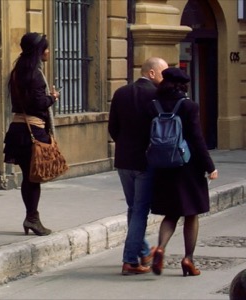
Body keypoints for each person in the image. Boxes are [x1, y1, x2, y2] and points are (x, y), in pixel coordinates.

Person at [150, 67, 218, 276]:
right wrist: (210, 166)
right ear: (184, 85)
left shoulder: (153, 105)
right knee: (191, 214)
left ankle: (160, 247)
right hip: (188, 166)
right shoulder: (189, 106)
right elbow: (197, 139)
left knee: (171, 213)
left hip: (162, 165)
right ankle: (188, 259)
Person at [108, 57, 169, 275]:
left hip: (123, 160)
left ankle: (143, 251)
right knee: (140, 210)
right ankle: (130, 261)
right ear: (151, 73)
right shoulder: (157, 96)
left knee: (133, 208)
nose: (166, 78)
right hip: (145, 160)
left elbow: (113, 127)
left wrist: (124, 145)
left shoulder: (121, 92)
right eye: (163, 73)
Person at [3, 32, 60, 236]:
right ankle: (32, 218)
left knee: (29, 177)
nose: (47, 52)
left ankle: (32, 217)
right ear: (38, 51)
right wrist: (52, 98)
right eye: (45, 48)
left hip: (18, 129)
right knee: (33, 178)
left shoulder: (17, 71)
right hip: (32, 131)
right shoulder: (35, 74)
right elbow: (37, 103)